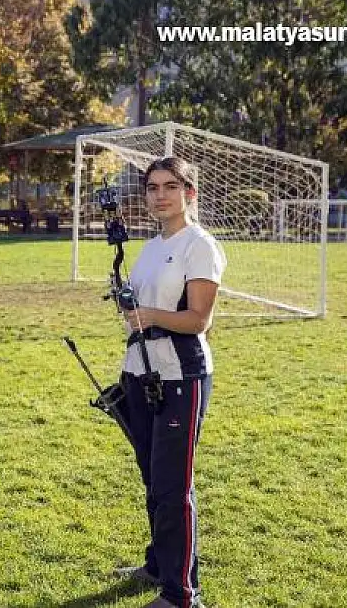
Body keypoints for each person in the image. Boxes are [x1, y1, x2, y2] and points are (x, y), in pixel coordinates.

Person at [111, 157, 225, 608]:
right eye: (153, 187)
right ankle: (158, 564)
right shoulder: (152, 245)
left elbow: (200, 318)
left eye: (170, 186)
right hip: (141, 371)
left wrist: (149, 316)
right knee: (152, 478)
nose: (160, 195)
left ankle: (180, 594)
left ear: (189, 193)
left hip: (181, 376)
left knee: (173, 487)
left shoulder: (200, 245)